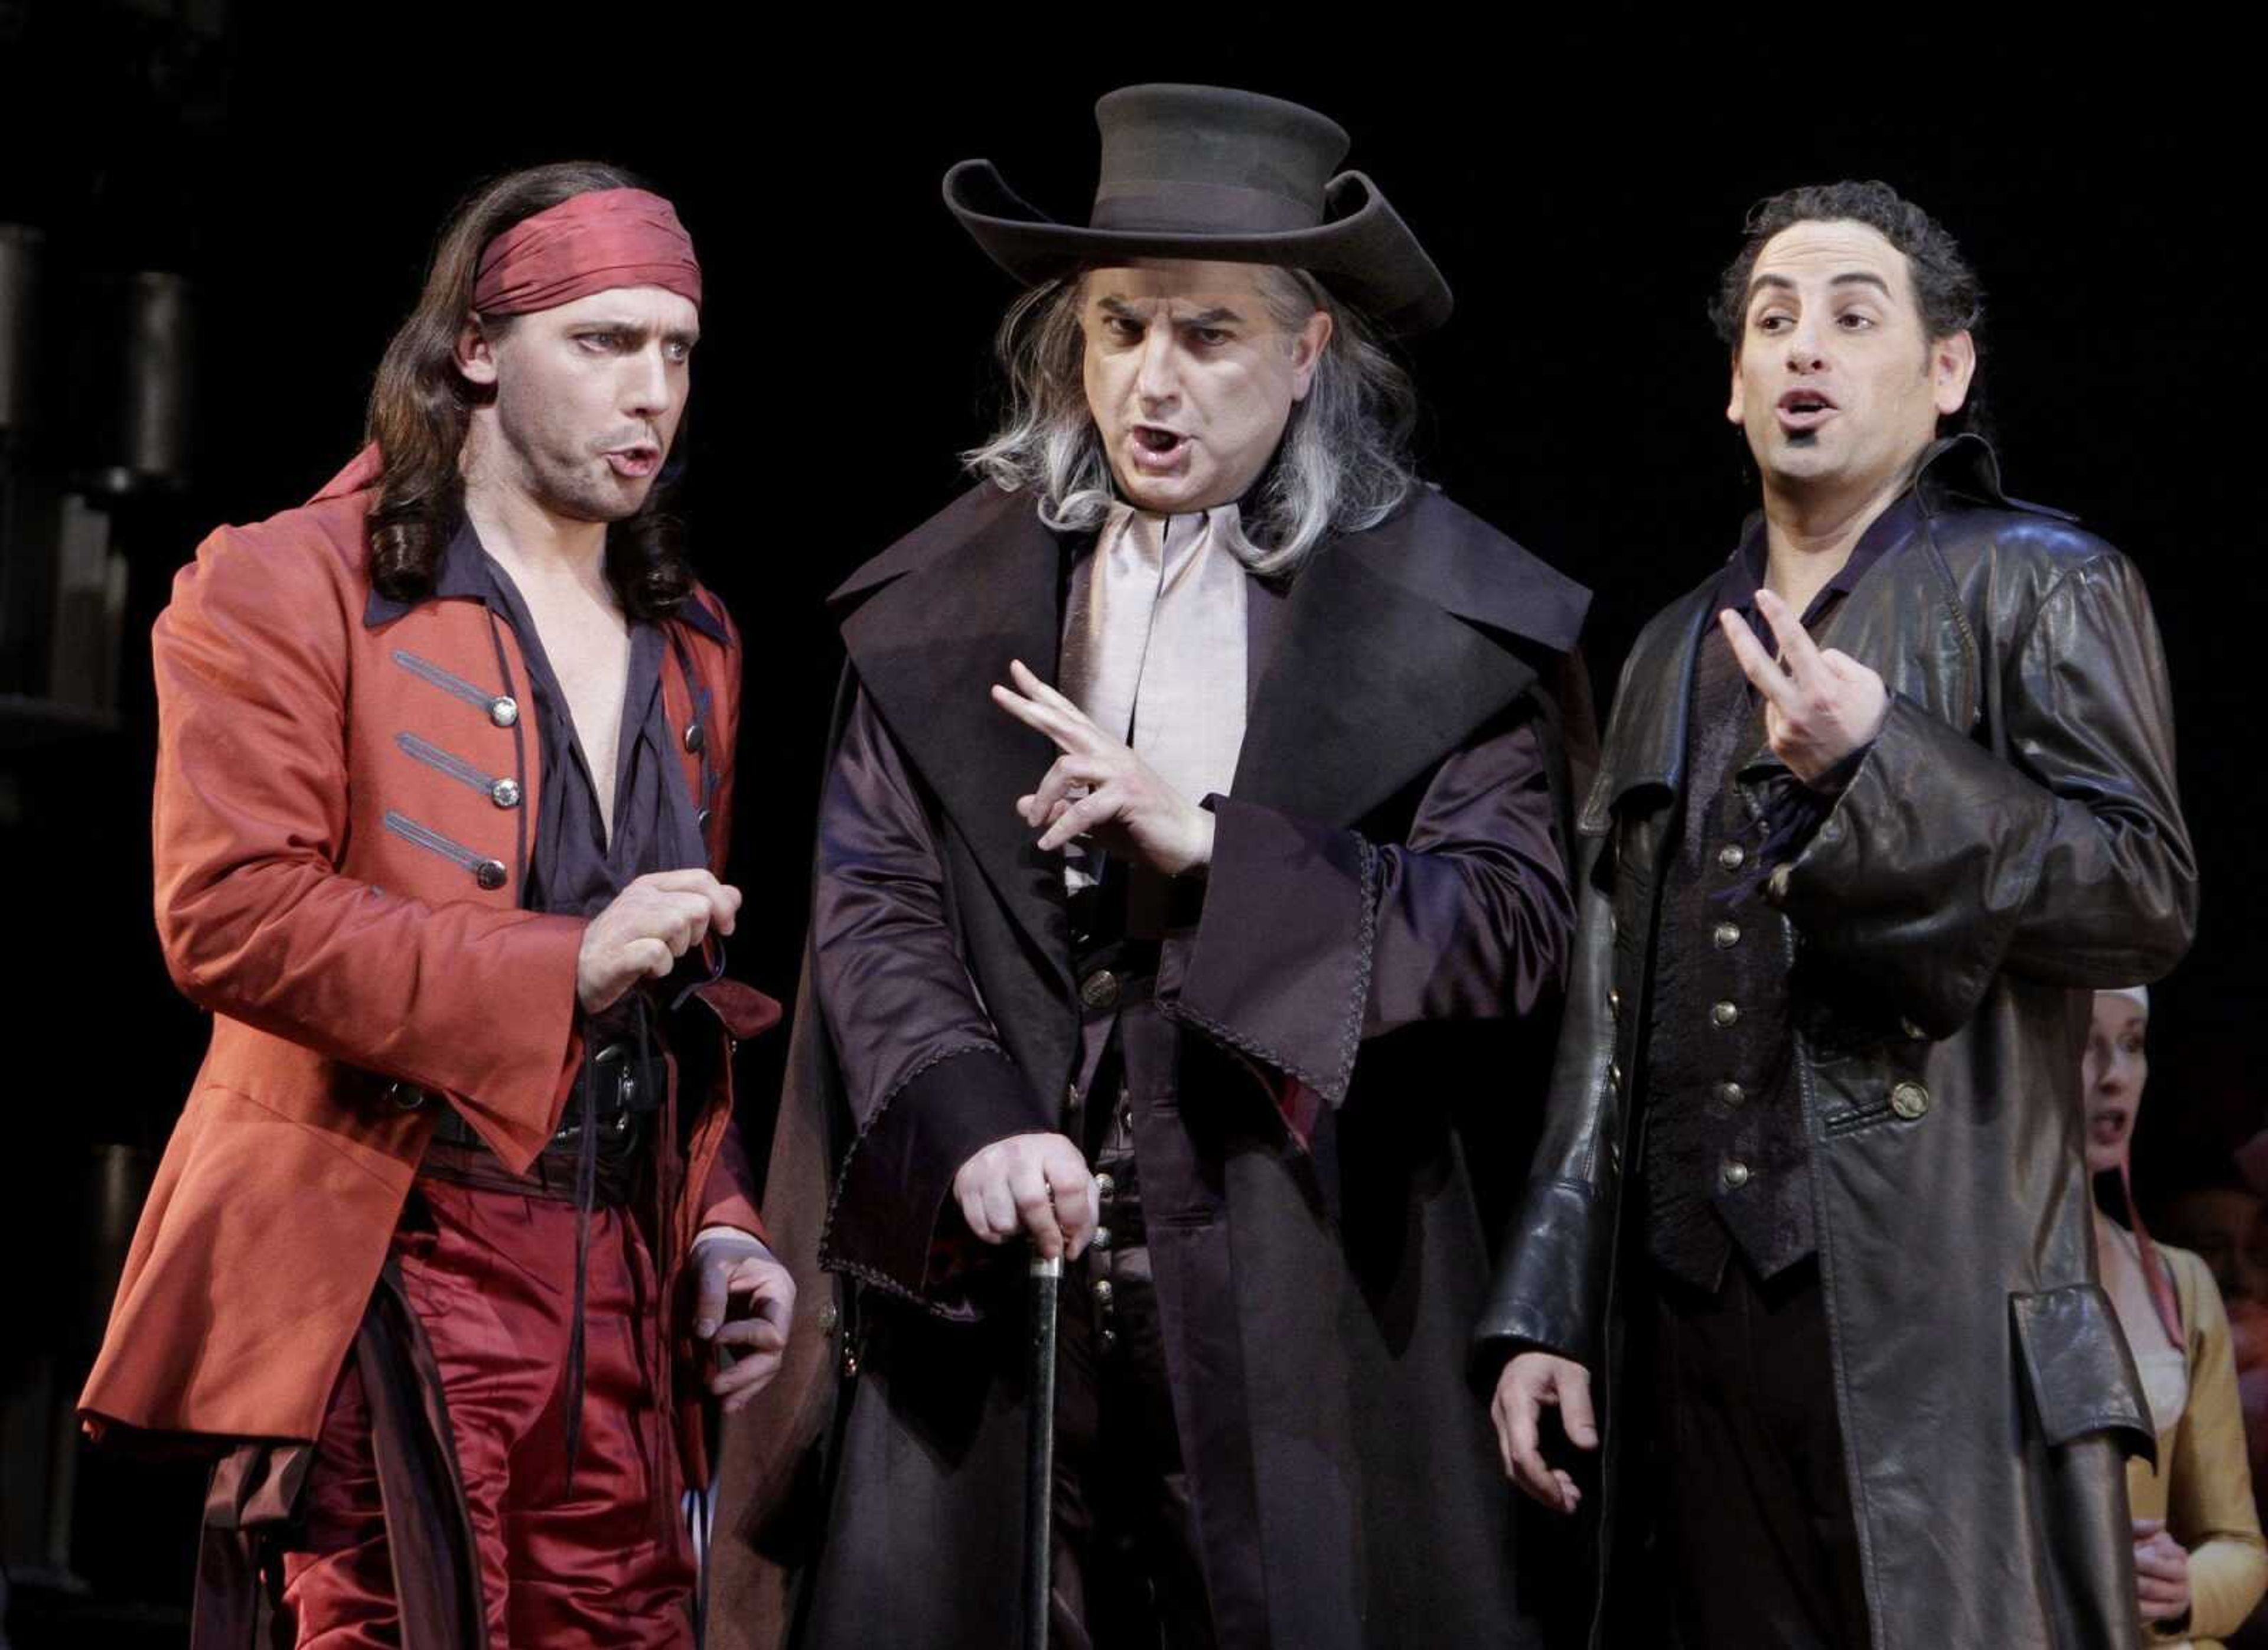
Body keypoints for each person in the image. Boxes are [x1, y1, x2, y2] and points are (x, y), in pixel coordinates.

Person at [711, 84, 1590, 1649]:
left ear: (1310, 350)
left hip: (1301, 1269)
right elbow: (875, 898)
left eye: (1208, 335)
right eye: (1120, 329)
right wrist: (972, 1118)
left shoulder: (1442, 618)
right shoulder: (950, 596)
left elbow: (1509, 927)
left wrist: (1218, 856)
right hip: (991, 1287)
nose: (1152, 381)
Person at [77, 162, 794, 1646]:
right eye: (602, 344)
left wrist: (720, 1223)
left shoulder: (695, 640)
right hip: (389, 1255)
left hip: (615, 1297)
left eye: (676, 349)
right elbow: (229, 911)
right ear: (477, 347)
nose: (650, 392)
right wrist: (558, 962)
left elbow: (679, 1007)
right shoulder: (288, 584)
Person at [1479, 179, 2197, 1648]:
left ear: (1946, 371)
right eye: (1772, 319)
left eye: (1853, 317)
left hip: (1931, 1311)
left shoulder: (2039, 584)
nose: (1804, 346)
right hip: (1685, 1315)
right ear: (1730, 388)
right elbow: (1611, 1002)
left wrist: (1888, 761)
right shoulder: (1673, 645)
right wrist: (1550, 1298)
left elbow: (2142, 898)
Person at [2085, 986, 2267, 1647]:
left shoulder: (2177, 1282)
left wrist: (2185, 1587)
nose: (2114, 1075)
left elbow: (2238, 1542)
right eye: (2085, 1043)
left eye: (2132, 1044)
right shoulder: (1971, 1281)